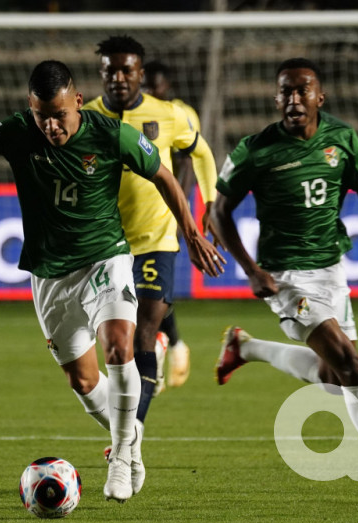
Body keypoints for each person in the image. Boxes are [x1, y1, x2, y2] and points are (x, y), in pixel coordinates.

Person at [0, 60, 224, 503]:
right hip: (50, 274)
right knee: (84, 382)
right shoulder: (20, 130)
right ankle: (131, 440)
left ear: (77, 101)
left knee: (118, 346)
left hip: (105, 259)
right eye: (42, 116)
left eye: (59, 115)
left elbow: (164, 176)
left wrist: (191, 234)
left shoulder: (111, 133)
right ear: (30, 108)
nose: (51, 126)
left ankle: (120, 458)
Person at [212, 58, 358, 498]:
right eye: (286, 91)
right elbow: (218, 213)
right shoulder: (255, 150)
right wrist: (252, 270)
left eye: (303, 90)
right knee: (351, 365)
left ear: (320, 97)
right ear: (276, 99)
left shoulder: (343, 139)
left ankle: (245, 347)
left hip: (331, 269)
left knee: (335, 378)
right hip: (284, 277)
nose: (294, 99)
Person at [83, 36, 219, 438]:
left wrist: (209, 203)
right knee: (116, 344)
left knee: (143, 329)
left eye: (127, 70)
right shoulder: (86, 117)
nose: (119, 77)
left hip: (157, 239)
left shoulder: (170, 114)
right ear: (101, 74)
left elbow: (202, 153)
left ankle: (133, 433)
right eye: (110, 70)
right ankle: (159, 353)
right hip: (106, 245)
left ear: (140, 73)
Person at [141, 60, 199, 391]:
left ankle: (165, 348)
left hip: (164, 212)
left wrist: (181, 211)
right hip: (134, 212)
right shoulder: (132, 113)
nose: (150, 90)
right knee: (139, 289)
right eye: (145, 85)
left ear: (168, 86)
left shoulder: (180, 114)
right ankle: (167, 345)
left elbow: (186, 163)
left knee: (153, 286)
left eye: (155, 85)